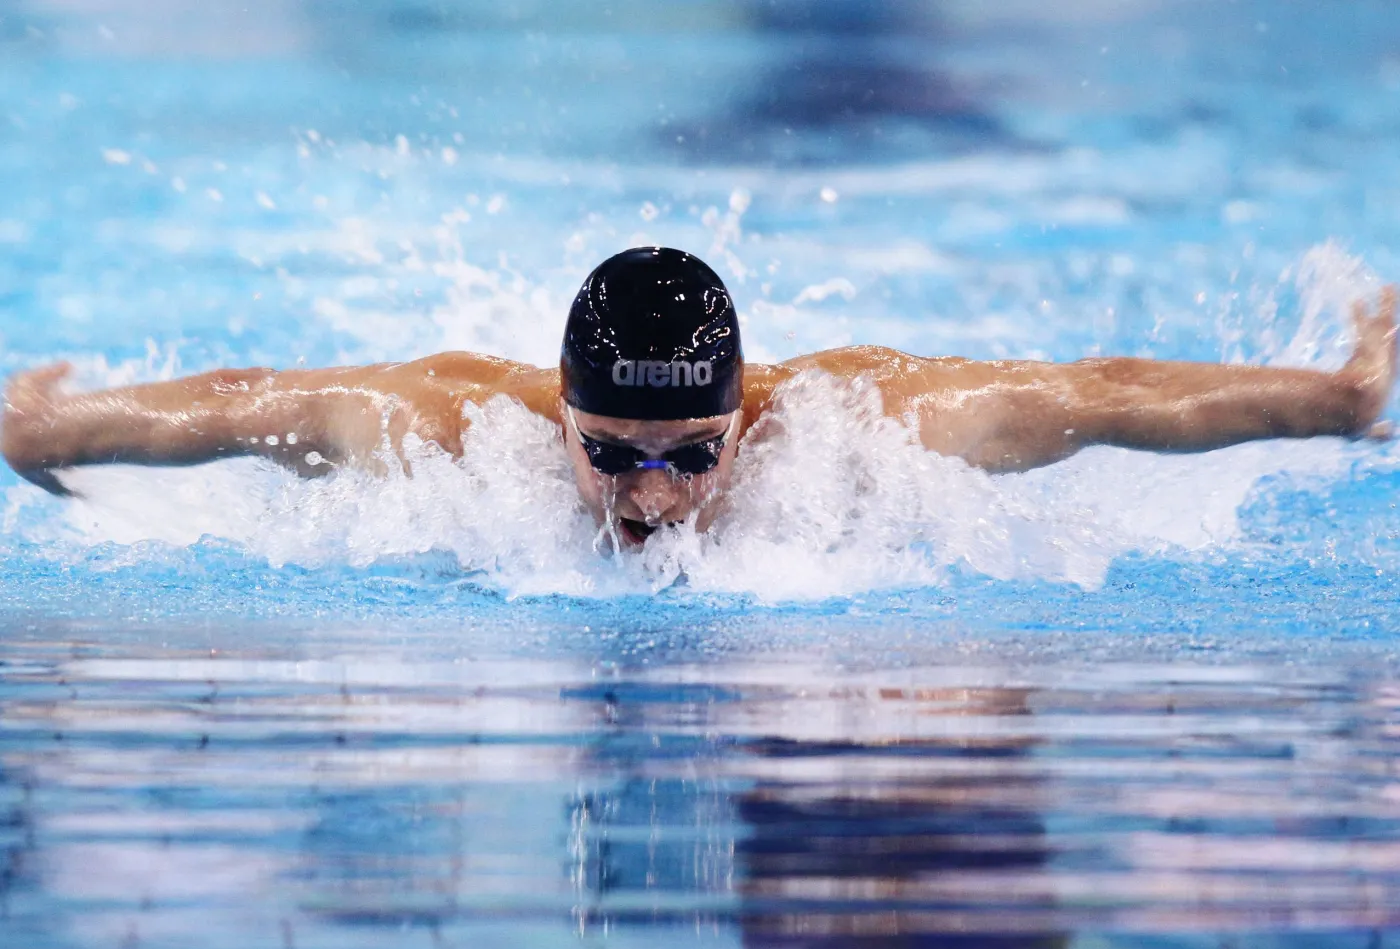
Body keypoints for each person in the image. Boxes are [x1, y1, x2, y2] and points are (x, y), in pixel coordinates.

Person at [2, 246, 1396, 548]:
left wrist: (1341, 402)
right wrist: (50, 434)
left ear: (745, 415)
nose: (651, 496)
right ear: (558, 405)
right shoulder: (454, 428)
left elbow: (1106, 392)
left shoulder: (868, 426)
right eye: (610, 450)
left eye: (690, 453)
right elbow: (266, 401)